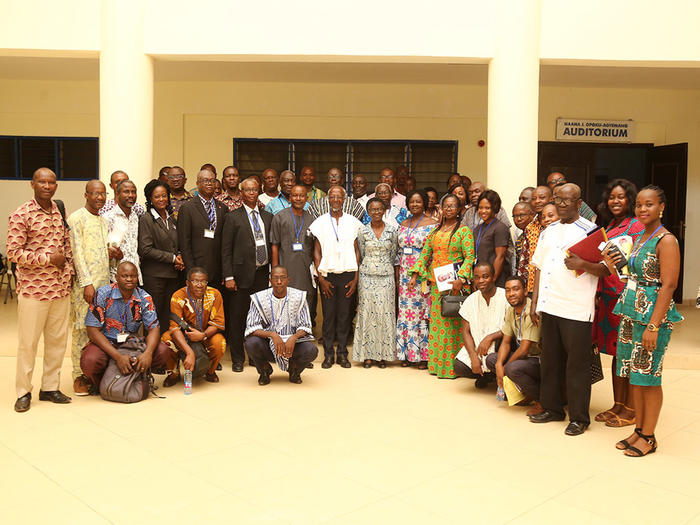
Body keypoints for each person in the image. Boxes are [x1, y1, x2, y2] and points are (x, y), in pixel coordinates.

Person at [529, 183, 607, 436]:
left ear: (578, 202)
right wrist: (535, 301)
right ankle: (552, 409)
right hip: (550, 305)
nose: (562, 205)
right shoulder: (548, 231)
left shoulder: (590, 231)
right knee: (550, 361)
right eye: (558, 200)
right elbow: (539, 267)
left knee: (577, 365)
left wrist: (583, 262)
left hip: (575, 308)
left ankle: (579, 417)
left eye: (567, 200)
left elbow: (607, 268)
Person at [611, 185, 683, 457]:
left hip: (652, 316)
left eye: (649, 204)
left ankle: (649, 437)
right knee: (635, 376)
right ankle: (639, 429)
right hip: (632, 311)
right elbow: (633, 273)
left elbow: (669, 284)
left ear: (661, 207)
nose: (643, 209)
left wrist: (653, 325)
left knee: (649, 377)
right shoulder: (640, 236)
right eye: (639, 204)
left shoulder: (666, 240)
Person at [8, 168, 75, 412]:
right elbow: (14, 253)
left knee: (57, 342)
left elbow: (66, 244)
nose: (47, 186)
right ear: (32, 184)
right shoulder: (21, 214)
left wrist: (67, 268)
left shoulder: (58, 211)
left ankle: (50, 387)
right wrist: (48, 258)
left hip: (59, 290)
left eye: (51, 182)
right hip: (34, 291)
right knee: (28, 344)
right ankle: (23, 391)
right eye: (42, 182)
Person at [592, 179, 645, 427]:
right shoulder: (610, 225)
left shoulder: (636, 225)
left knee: (628, 354)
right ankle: (618, 405)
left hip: (626, 298)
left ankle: (632, 409)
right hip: (608, 298)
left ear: (630, 200)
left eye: (621, 197)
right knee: (616, 353)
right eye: (612, 197)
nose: (616, 201)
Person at [408, 194, 475, 379]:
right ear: (441, 208)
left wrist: (461, 278)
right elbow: (425, 254)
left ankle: (455, 367)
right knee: (438, 326)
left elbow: (470, 257)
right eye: (446, 206)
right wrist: (415, 274)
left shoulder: (464, 231)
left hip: (456, 286)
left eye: (453, 206)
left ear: (459, 209)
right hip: (437, 286)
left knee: (454, 327)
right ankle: (439, 366)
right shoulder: (435, 231)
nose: (449, 209)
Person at [81, 262, 170, 391]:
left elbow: (153, 328)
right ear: (116, 277)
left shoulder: (145, 297)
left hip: (131, 343)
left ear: (137, 277)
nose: (129, 279)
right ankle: (102, 384)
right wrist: (118, 357)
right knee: (90, 360)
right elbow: (92, 331)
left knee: (163, 351)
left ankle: (137, 377)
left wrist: (148, 354)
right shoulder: (103, 294)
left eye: (133, 276)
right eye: (125, 276)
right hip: (107, 342)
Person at [222, 177, 272, 372]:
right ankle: (237, 358)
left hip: (261, 275)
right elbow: (225, 250)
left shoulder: (268, 217)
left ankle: (254, 355)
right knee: (238, 318)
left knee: (258, 319)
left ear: (258, 192)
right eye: (247, 190)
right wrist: (228, 276)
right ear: (241, 193)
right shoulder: (233, 217)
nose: (251, 193)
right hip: (240, 276)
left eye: (254, 190)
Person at [309, 186, 362, 369]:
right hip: (328, 276)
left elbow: (357, 251)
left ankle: (342, 354)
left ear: (344, 199)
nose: (336, 200)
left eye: (340, 197)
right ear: (328, 199)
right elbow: (316, 252)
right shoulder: (320, 222)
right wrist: (321, 278)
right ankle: (328, 355)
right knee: (329, 315)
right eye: (333, 197)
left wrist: (356, 278)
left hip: (348, 275)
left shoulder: (354, 222)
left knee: (344, 316)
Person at [67, 180, 112, 395]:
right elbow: (77, 253)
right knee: (81, 331)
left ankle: (93, 372)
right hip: (85, 288)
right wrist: (87, 283)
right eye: (95, 194)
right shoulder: (76, 218)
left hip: (103, 288)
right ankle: (78, 375)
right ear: (86, 195)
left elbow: (102, 254)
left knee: (99, 330)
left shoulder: (104, 221)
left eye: (103, 194)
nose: (100, 198)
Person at [244, 266, 317, 385]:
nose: (279, 282)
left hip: (291, 347)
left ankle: (294, 370)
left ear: (288, 280)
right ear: (270, 280)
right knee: (251, 343)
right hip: (268, 345)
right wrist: (272, 335)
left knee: (311, 350)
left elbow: (305, 325)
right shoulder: (259, 298)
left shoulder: (299, 297)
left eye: (282, 278)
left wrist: (293, 338)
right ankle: (264, 370)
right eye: (275, 278)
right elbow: (252, 327)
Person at [352, 198, 399, 368]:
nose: (376, 212)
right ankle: (367, 356)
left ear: (384, 210)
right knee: (367, 314)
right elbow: (362, 253)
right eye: (373, 209)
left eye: (379, 209)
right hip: (367, 277)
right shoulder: (362, 231)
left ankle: (382, 356)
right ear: (368, 212)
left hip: (386, 277)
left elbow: (393, 254)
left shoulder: (392, 231)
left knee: (384, 314)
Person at [161, 267, 226, 386]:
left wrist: (203, 335)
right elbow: (175, 328)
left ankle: (210, 371)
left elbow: (218, 322)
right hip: (183, 336)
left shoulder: (214, 294)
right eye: (195, 281)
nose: (200, 285)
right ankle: (173, 374)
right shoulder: (178, 296)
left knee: (219, 343)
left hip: (205, 335)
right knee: (166, 340)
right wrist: (189, 353)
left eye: (203, 282)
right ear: (188, 283)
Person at [396, 190, 438, 368]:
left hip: (421, 276)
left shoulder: (433, 224)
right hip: (404, 276)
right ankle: (406, 354)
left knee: (421, 314)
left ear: (425, 203)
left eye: (418, 202)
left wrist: (421, 275)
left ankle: (422, 356)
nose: (415, 205)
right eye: (412, 202)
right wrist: (399, 273)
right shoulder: (403, 223)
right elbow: (399, 251)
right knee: (405, 314)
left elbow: (432, 252)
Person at [138, 180, 184, 336]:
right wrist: (172, 258)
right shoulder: (146, 219)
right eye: (157, 196)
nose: (161, 199)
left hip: (172, 276)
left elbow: (175, 244)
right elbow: (145, 249)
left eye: (164, 195)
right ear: (150, 199)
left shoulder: (171, 218)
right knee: (153, 317)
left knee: (168, 317)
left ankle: (166, 353)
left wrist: (179, 256)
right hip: (154, 278)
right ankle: (151, 354)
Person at [492, 275, 543, 415]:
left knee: (512, 368)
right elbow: (506, 341)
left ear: (525, 291)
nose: (511, 294)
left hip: (539, 359)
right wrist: (498, 365)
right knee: (492, 359)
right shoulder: (511, 311)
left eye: (515, 289)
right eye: (507, 290)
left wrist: (505, 366)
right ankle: (526, 393)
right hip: (525, 359)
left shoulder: (532, 312)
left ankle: (541, 400)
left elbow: (525, 348)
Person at [453, 262, 508, 388]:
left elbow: (513, 328)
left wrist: (490, 337)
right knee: (459, 366)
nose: (481, 280)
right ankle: (484, 376)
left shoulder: (505, 297)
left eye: (485, 276)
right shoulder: (471, 300)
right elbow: (465, 331)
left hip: (501, 346)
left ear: (493, 277)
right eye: (477, 277)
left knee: (493, 358)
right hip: (479, 348)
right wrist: (473, 356)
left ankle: (497, 376)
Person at [270, 185, 317, 326]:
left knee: (306, 298)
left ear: (306, 198)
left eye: (301, 195)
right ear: (290, 198)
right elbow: (274, 245)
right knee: (285, 299)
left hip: (305, 270)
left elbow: (316, 247)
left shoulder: (312, 219)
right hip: (286, 268)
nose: (298, 198)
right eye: (295, 195)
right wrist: (275, 270)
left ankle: (305, 330)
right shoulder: (279, 217)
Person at [177, 169, 227, 288]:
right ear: (197, 183)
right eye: (205, 180)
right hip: (196, 271)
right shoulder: (187, 208)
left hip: (217, 272)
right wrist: (191, 272)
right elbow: (184, 243)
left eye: (212, 180)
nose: (209, 183)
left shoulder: (222, 208)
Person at [103, 179, 141, 283]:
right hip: (115, 278)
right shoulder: (108, 218)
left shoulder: (137, 217)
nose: (131, 195)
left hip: (135, 276)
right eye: (126, 192)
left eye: (133, 192)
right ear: (117, 194)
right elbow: (102, 249)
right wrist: (112, 254)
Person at [472, 190, 511, 287]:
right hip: (481, 279)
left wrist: (492, 280)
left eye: (487, 208)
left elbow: (500, 257)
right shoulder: (477, 229)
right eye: (480, 208)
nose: (483, 211)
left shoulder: (500, 228)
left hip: (495, 280)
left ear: (495, 208)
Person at [522, 185, 553, 293]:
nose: (537, 201)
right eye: (534, 198)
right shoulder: (530, 227)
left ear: (551, 199)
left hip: (553, 286)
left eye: (542, 197)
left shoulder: (558, 225)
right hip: (532, 285)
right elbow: (524, 259)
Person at [512, 202, 534, 284]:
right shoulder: (519, 239)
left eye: (522, 215)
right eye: (515, 216)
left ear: (531, 215)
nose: (518, 219)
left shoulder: (538, 235)